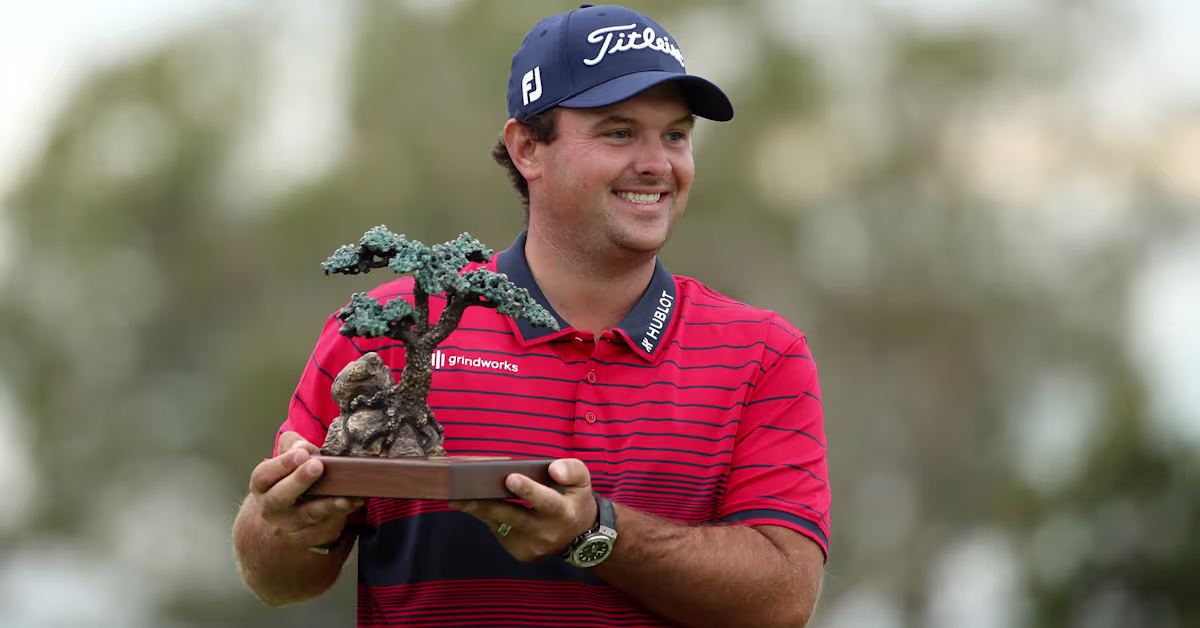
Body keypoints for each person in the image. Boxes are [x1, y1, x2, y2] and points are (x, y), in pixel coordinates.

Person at [232, 4, 830, 627]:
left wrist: (596, 532)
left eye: (675, 134)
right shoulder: (384, 327)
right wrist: (285, 521)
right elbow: (274, 576)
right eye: (620, 132)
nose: (659, 163)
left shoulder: (762, 351)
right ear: (527, 148)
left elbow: (784, 597)